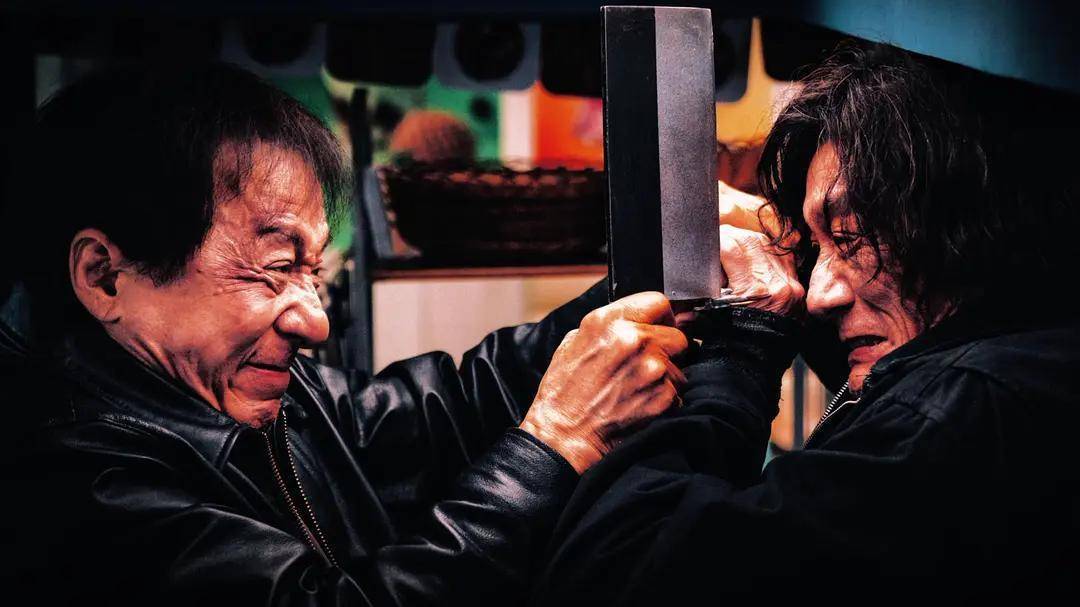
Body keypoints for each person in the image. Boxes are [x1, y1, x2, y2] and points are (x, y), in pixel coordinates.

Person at [3, 63, 690, 605]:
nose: (315, 320)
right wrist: (557, 443)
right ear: (104, 276)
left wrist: (646, 295)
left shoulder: (269, 396)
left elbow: (445, 408)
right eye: (276, 267)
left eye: (314, 270)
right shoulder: (76, 485)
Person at [532, 42, 1080, 604]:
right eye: (817, 248)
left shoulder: (958, 413)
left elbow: (616, 571)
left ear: (970, 225)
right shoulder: (1025, 356)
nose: (818, 296)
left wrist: (742, 345)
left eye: (848, 238)